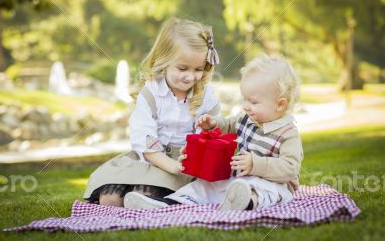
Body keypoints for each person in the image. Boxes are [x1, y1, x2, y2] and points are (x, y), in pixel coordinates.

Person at [124, 54, 304, 211]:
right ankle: (169, 203)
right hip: (239, 178)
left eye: (254, 102)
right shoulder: (248, 118)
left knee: (260, 190)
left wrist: (255, 164)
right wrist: (213, 123)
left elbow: (290, 168)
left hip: (273, 183)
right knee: (204, 185)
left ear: (280, 104)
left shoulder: (287, 133)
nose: (246, 106)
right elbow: (229, 125)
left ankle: (246, 203)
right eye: (245, 100)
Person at [82, 17, 221, 207]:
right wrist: (171, 165)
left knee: (142, 195)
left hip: (185, 164)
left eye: (198, 69)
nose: (190, 76)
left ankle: (154, 202)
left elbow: (216, 132)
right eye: (182, 68)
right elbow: (143, 137)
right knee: (109, 199)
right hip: (152, 157)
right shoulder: (152, 92)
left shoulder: (205, 96)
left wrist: (208, 128)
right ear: (164, 61)